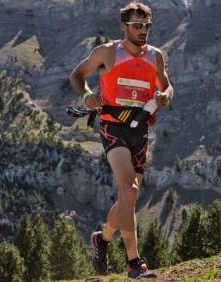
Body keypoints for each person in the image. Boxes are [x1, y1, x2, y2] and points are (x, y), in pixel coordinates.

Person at [69, 1, 173, 279]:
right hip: (113, 125)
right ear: (123, 26)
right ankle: (134, 264)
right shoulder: (107, 51)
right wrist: (86, 96)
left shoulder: (156, 56)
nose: (143, 31)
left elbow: (167, 85)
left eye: (147, 26)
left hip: (140, 129)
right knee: (128, 188)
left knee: (129, 197)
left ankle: (102, 238)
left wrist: (165, 97)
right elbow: (77, 75)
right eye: (137, 25)